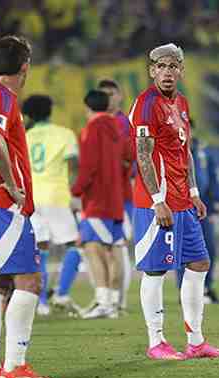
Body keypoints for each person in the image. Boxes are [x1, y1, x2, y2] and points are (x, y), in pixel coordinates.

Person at [130, 43, 219, 361]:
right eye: (161, 66)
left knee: (199, 264)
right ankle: (156, 341)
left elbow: (185, 152)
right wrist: (158, 200)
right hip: (157, 204)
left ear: (181, 70)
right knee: (155, 271)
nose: (168, 72)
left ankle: (195, 341)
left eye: (174, 66)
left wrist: (195, 193)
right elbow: (143, 155)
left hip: (184, 202)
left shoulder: (182, 103)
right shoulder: (146, 105)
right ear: (151, 70)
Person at [0, 35, 53, 378]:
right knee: (30, 281)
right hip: (4, 206)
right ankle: (15, 365)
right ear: (25, 66)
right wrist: (11, 185)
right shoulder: (5, 98)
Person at [72, 89, 129, 320]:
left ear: (88, 108)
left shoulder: (90, 130)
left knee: (91, 248)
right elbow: (130, 157)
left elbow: (89, 166)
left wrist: (76, 190)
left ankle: (103, 302)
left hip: (96, 201)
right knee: (116, 250)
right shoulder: (118, 128)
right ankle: (114, 302)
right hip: (116, 200)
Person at [22, 94, 80, 316]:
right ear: (50, 111)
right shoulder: (64, 134)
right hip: (57, 196)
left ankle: (42, 302)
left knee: (41, 248)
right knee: (74, 246)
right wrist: (75, 194)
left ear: (29, 115)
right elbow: (73, 164)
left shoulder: (25, 136)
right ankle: (62, 294)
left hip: (32, 198)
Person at [176, 119, 219, 304]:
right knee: (185, 250)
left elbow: (212, 178)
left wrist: (217, 201)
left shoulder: (202, 152)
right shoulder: (175, 151)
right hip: (184, 207)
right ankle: (185, 289)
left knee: (208, 249)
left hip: (203, 208)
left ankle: (206, 286)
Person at [98, 79, 135, 312]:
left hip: (123, 193)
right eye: (105, 94)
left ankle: (117, 301)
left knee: (118, 245)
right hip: (102, 195)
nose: (109, 98)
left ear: (120, 96)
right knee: (104, 246)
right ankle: (108, 298)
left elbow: (132, 156)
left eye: (112, 93)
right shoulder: (98, 123)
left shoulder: (124, 123)